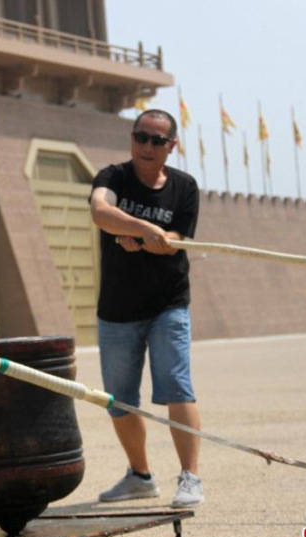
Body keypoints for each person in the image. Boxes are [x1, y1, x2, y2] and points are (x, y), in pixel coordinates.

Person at [88, 108, 203, 508]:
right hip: (117, 310)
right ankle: (140, 476)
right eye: (141, 137)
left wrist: (160, 238)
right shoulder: (113, 177)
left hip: (167, 304)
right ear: (132, 138)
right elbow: (102, 211)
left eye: (157, 140)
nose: (147, 146)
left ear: (172, 146)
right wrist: (140, 228)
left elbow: (179, 235)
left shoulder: (185, 187)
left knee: (175, 384)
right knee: (119, 399)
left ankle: (190, 478)